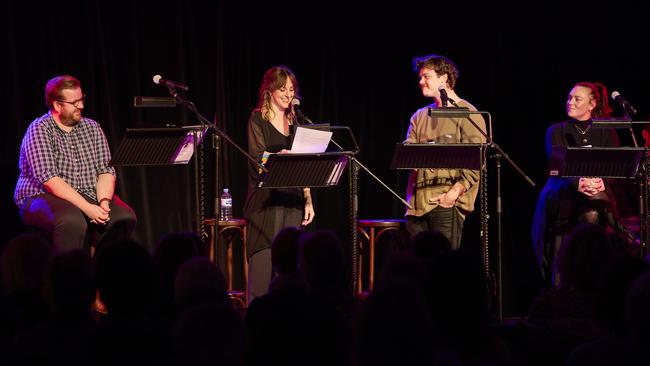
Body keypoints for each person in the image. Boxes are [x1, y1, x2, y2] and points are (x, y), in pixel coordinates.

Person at [14, 75, 137, 253]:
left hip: (87, 192)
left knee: (123, 218)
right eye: (75, 102)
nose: (81, 106)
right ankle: (70, 277)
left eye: (82, 99)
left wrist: (103, 202)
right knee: (71, 221)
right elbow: (50, 180)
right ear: (58, 105)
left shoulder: (92, 127)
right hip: (40, 195)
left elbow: (106, 170)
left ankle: (103, 272)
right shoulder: (39, 129)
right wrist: (88, 208)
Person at [531, 81, 620, 286]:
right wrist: (578, 181)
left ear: (591, 104)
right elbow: (558, 168)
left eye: (577, 99)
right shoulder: (556, 131)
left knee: (591, 213)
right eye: (569, 98)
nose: (570, 102)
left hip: (595, 192)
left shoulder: (607, 131)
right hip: (562, 190)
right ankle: (620, 229)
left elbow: (612, 168)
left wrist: (600, 181)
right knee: (593, 207)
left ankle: (591, 279)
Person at [244, 66, 315, 303]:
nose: (287, 94)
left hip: (292, 203)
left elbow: (304, 165)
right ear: (270, 91)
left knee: (290, 277)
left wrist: (308, 199)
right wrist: (277, 157)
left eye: (291, 89)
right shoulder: (257, 120)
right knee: (262, 280)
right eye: (282, 89)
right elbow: (256, 160)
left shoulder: (297, 122)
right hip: (266, 205)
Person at [404, 54, 487, 249]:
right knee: (418, 270)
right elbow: (408, 153)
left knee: (443, 269)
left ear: (444, 78)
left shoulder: (468, 113)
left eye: (426, 76)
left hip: (446, 203)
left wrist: (453, 194)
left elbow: (475, 163)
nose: (421, 81)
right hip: (416, 207)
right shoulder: (419, 116)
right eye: (420, 77)